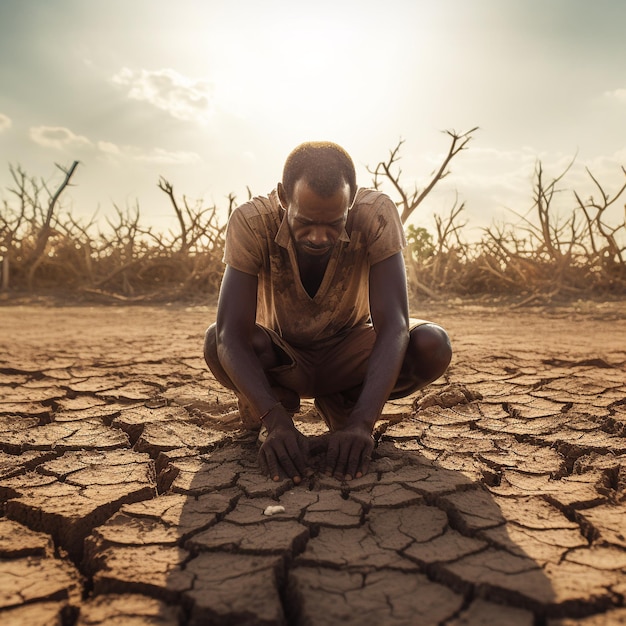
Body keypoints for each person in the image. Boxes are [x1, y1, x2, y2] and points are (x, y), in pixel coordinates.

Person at [204, 141, 451, 484]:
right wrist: (276, 421)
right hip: (283, 361)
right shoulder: (252, 221)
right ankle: (269, 403)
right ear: (282, 198)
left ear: (351, 203)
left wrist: (363, 424)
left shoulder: (376, 213)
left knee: (431, 344)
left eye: (334, 224)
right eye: (304, 222)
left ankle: (344, 402)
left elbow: (394, 325)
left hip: (348, 354)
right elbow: (230, 333)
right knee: (215, 339)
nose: (319, 237)